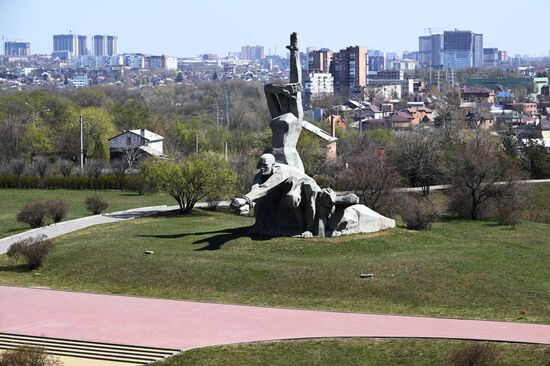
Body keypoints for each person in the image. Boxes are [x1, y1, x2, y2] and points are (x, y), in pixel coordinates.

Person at [231, 153, 319, 236]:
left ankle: (307, 229)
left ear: (273, 165)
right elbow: (256, 188)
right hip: (288, 186)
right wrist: (248, 205)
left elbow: (265, 187)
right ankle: (259, 227)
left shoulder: (281, 171)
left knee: (292, 199)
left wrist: (245, 199)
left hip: (306, 186)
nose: (261, 168)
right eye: (259, 165)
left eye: (265, 165)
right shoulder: (261, 172)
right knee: (267, 199)